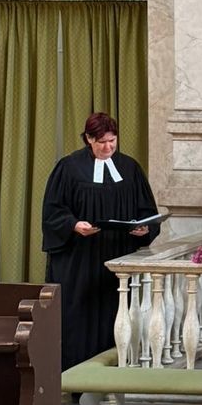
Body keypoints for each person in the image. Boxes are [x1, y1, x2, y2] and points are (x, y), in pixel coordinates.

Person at [42, 113, 160, 370]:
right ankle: (75, 380)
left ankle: (116, 378)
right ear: (88, 139)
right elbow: (53, 211)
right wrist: (73, 224)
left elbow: (148, 211)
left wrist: (145, 228)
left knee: (116, 317)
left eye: (112, 141)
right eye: (101, 142)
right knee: (77, 318)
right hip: (79, 261)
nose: (107, 147)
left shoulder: (129, 168)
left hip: (117, 258)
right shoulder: (69, 167)